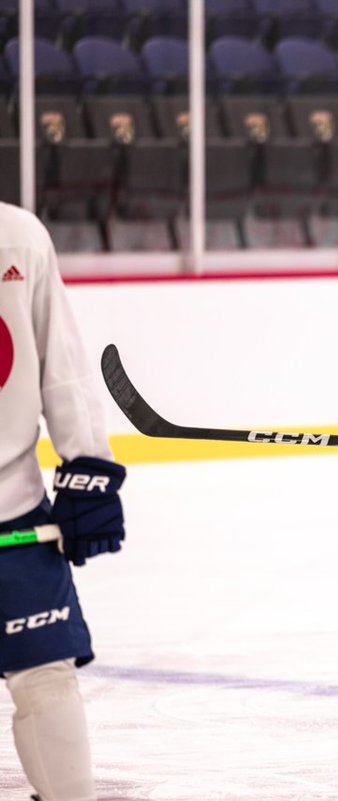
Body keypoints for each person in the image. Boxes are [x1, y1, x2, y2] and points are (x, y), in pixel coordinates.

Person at [0, 202, 128, 801]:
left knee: (48, 679)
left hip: (13, 505)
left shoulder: (17, 236)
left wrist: (87, 464)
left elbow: (62, 365)